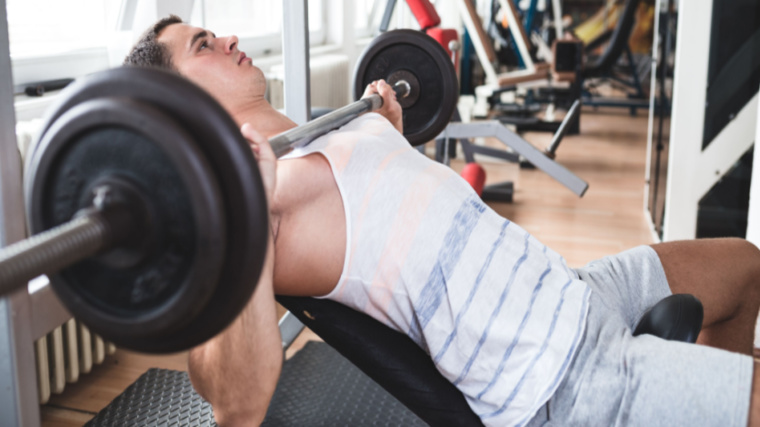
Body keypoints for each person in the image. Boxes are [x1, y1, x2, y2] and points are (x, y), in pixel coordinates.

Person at [124, 16, 760, 426]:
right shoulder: (254, 209)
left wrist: (395, 142)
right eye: (204, 46)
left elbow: (407, 229)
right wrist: (248, 228)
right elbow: (233, 401)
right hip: (558, 377)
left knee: (744, 267)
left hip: (573, 290)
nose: (230, 37)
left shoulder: (328, 128)